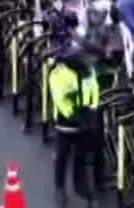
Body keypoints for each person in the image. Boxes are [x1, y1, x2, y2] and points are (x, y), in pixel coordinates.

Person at [48, 49, 99, 204]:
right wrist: (73, 115)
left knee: (81, 155)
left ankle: (80, 185)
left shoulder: (88, 70)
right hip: (66, 121)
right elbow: (60, 99)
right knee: (62, 155)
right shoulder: (59, 74)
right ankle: (59, 188)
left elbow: (94, 88)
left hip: (85, 117)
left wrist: (93, 109)